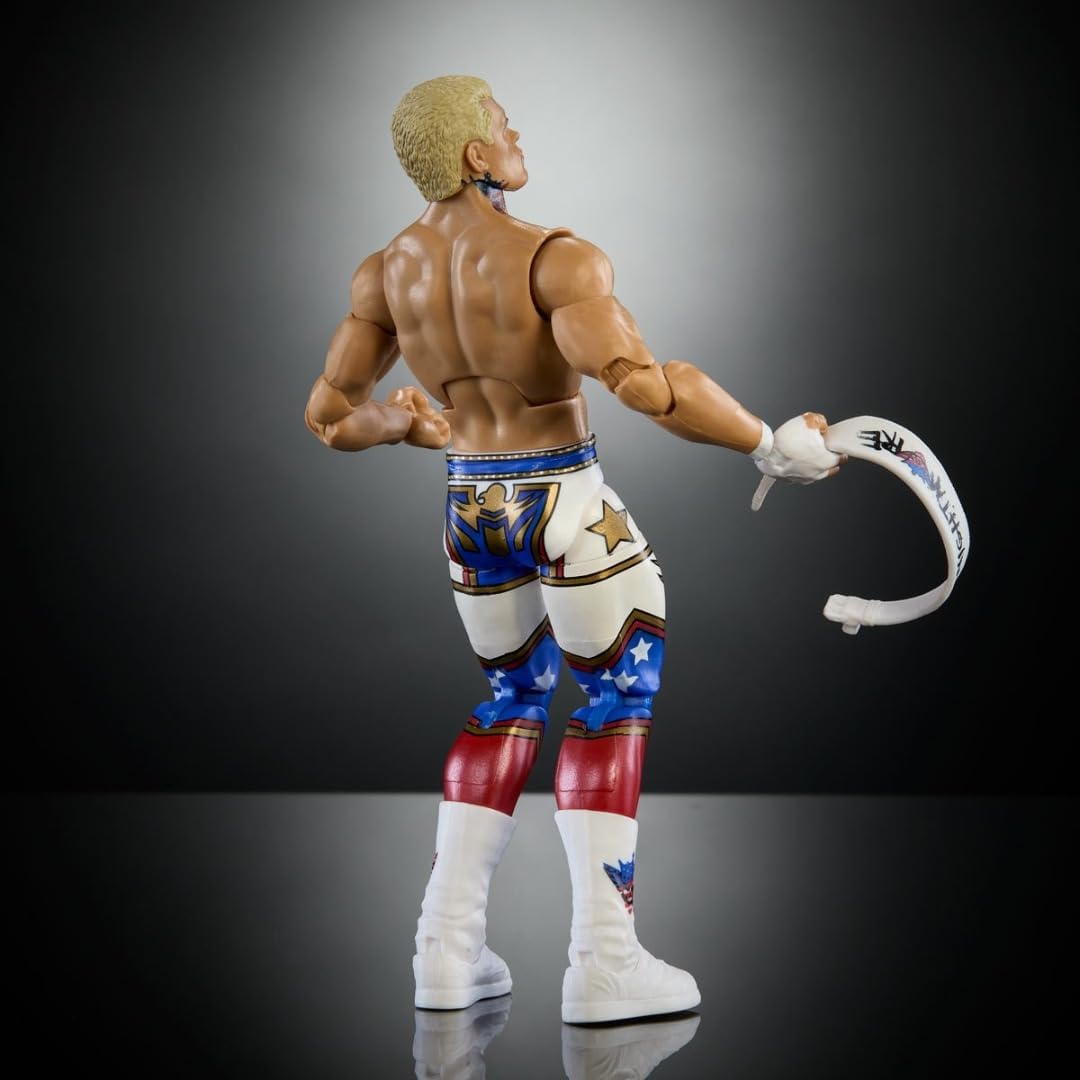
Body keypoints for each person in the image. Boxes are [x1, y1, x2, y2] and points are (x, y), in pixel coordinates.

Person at [304, 75, 842, 1025]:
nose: (517, 135)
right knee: (615, 697)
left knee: (508, 700)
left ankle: (443, 953)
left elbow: (332, 417)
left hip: (472, 509)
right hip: (562, 498)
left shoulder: (384, 274)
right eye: (502, 124)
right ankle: (605, 964)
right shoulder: (554, 258)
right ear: (475, 153)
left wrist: (408, 424)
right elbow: (647, 386)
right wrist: (771, 444)